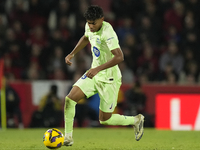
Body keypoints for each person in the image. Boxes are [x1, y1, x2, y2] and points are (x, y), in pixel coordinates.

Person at [63, 5, 144, 146]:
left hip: (109, 79)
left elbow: (119, 57)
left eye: (93, 23)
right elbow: (86, 37)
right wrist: (72, 53)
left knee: (104, 119)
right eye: (88, 22)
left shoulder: (108, 32)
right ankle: (68, 138)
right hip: (94, 74)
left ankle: (136, 120)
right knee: (70, 100)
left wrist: (98, 69)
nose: (90, 26)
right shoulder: (90, 25)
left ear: (102, 19)